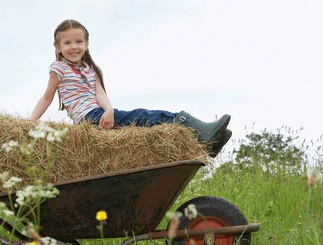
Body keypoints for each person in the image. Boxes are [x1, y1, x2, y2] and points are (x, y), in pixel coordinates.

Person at [29, 19, 232, 157]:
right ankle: (193, 126)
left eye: (79, 41)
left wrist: (108, 110)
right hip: (88, 119)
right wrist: (29, 124)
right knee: (144, 116)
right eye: (67, 43)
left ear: (87, 43)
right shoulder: (59, 69)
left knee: (144, 121)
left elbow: (100, 94)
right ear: (58, 47)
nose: (74, 47)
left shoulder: (90, 69)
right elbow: (46, 98)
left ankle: (207, 143)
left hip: (99, 113)